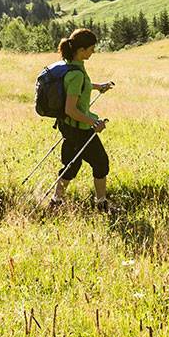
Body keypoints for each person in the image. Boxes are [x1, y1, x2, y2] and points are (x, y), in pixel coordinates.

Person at [51, 28, 116, 209]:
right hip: (79, 128)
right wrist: (94, 122)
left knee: (71, 165)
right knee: (101, 162)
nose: (93, 51)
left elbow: (79, 87)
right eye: (91, 48)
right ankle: (101, 204)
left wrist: (98, 87)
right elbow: (71, 109)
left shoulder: (71, 66)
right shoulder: (76, 74)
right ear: (81, 51)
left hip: (68, 126)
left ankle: (55, 202)